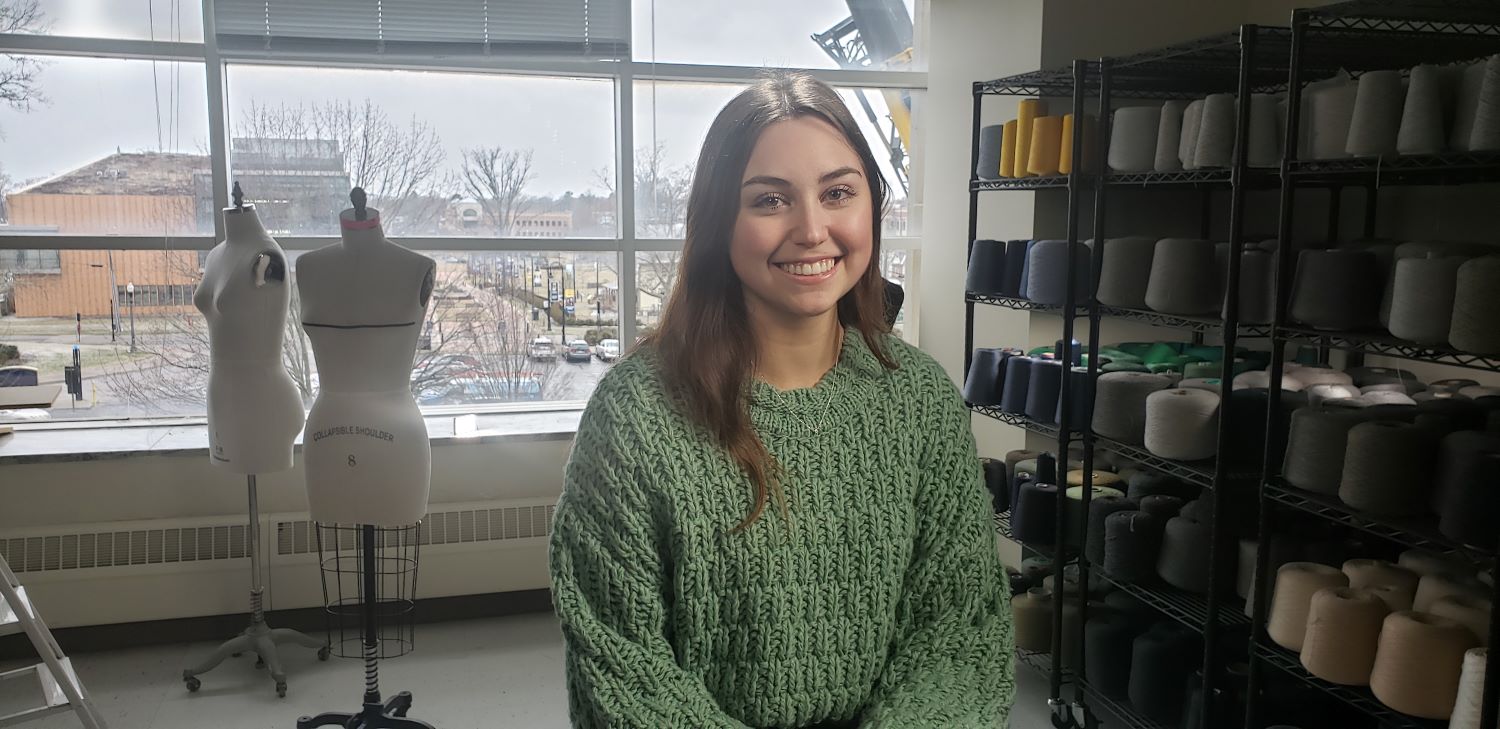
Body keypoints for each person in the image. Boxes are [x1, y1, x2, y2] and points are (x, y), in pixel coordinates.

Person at [549, 71, 1014, 728]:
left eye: (837, 193)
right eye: (770, 200)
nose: (812, 228)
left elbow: (960, 634)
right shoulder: (634, 417)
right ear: (719, 222)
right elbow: (624, 668)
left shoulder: (920, 401)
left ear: (870, 209)